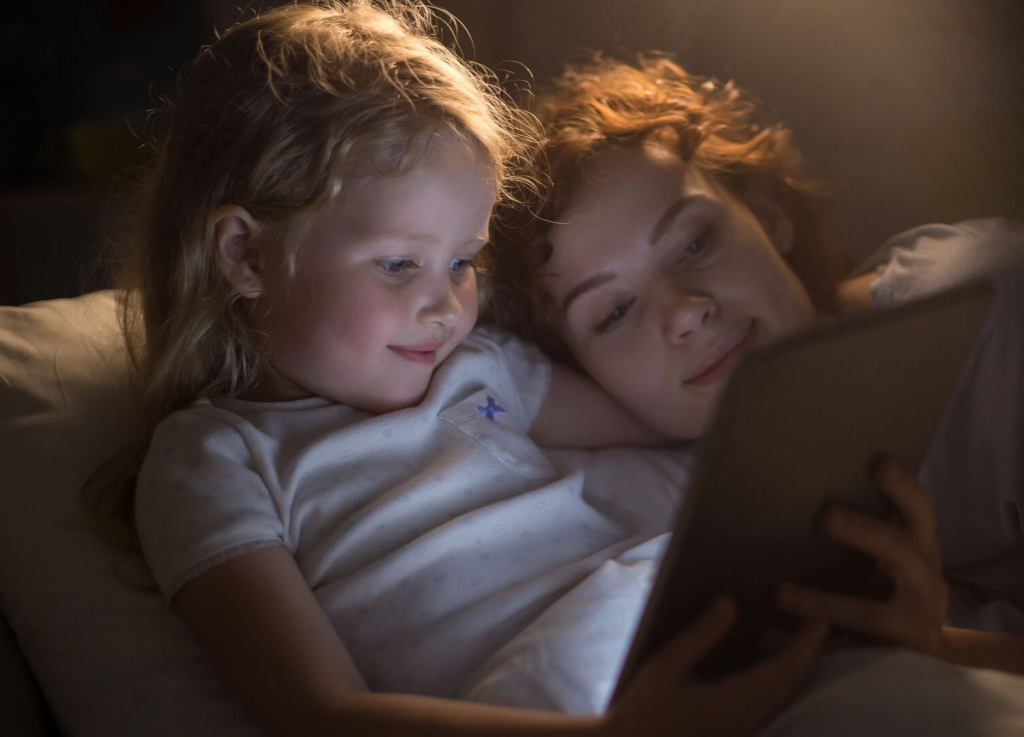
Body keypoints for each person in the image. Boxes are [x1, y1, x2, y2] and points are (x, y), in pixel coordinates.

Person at [85, 4, 837, 737]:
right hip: (555, 695)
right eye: (399, 264)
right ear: (247, 255)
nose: (445, 307)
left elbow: (691, 432)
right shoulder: (216, 460)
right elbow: (317, 712)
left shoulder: (481, 366)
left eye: (461, 262)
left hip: (651, 600)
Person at [482, 53, 1024, 707]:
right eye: (615, 313)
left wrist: (943, 649)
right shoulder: (694, 492)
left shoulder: (994, 321)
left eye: (694, 243)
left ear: (768, 217)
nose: (685, 311)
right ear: (584, 377)